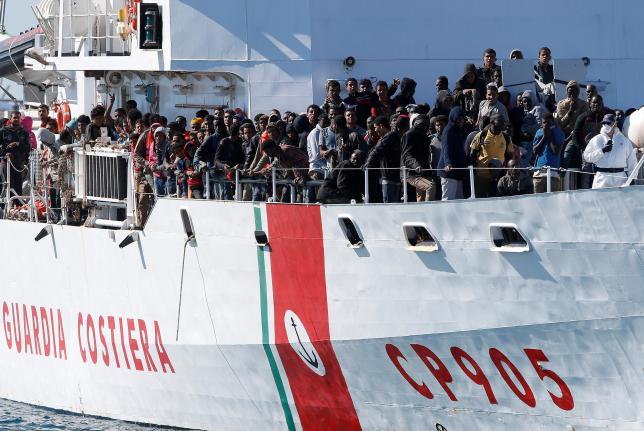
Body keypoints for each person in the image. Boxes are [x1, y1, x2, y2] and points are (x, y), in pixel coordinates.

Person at [583, 114, 637, 188]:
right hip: (601, 178)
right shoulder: (596, 139)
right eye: (604, 123)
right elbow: (587, 157)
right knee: (600, 199)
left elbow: (632, 162)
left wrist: (632, 178)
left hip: (620, 179)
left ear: (615, 124)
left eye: (608, 123)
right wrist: (602, 151)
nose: (606, 125)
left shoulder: (624, 141)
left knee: (619, 199)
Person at [469, 113, 515, 197]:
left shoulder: (506, 137)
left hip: (499, 176)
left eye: (504, 121)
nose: (503, 123)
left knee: (497, 200)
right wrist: (474, 170)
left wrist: (507, 171)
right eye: (500, 121)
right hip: (481, 175)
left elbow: (511, 155)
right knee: (479, 201)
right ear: (492, 122)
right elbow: (472, 153)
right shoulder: (481, 135)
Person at [365, 116, 405, 203]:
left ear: (381, 126)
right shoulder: (395, 136)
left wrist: (367, 164)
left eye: (375, 127)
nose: (375, 130)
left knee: (388, 205)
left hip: (388, 177)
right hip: (395, 176)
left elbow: (376, 151)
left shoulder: (388, 137)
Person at [401, 114, 435, 201]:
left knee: (421, 195)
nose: (425, 126)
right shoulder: (409, 135)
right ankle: (429, 211)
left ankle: (423, 212)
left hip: (423, 171)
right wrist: (415, 165)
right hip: (411, 173)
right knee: (430, 187)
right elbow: (406, 154)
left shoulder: (425, 137)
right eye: (423, 124)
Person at [438, 107, 468, 200]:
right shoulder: (449, 130)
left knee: (459, 200)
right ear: (453, 118)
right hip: (448, 172)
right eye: (458, 119)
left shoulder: (458, 130)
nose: (461, 121)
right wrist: (447, 163)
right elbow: (446, 148)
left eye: (462, 119)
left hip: (457, 172)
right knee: (448, 200)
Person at [0, 111, 31, 199]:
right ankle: (7, 207)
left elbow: (28, 148)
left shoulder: (24, 133)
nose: (17, 119)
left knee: (18, 187)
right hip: (6, 163)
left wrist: (17, 144)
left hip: (19, 165)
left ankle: (17, 208)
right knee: (8, 185)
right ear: (10, 119)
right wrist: (5, 154)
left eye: (18, 118)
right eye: (14, 118)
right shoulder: (3, 131)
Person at [533, 113, 565, 193]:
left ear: (553, 122)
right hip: (539, 173)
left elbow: (556, 151)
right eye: (544, 122)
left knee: (553, 202)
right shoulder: (539, 132)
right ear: (541, 123)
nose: (546, 124)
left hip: (553, 174)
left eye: (548, 122)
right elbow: (535, 151)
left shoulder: (559, 133)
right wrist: (544, 137)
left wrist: (550, 136)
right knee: (537, 201)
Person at [213, 122, 244, 200]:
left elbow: (243, 158)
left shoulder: (240, 142)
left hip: (238, 172)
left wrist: (240, 165)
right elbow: (216, 160)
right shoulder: (223, 142)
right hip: (225, 172)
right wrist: (223, 166)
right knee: (226, 190)